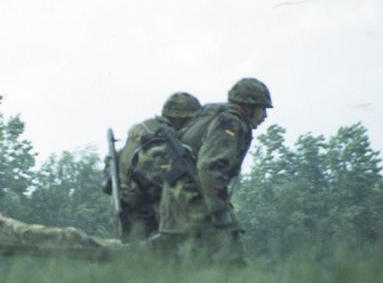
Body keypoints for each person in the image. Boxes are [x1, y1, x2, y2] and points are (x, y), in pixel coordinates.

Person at [156, 78, 272, 265]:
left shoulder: (212, 115)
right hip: (197, 206)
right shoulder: (231, 122)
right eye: (262, 109)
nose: (265, 116)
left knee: (188, 266)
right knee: (232, 265)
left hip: (177, 203)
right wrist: (219, 211)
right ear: (249, 107)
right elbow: (210, 167)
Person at [103, 92, 201, 240]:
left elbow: (111, 166)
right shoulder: (157, 140)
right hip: (141, 220)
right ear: (182, 119)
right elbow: (159, 185)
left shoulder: (142, 133)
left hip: (121, 214)